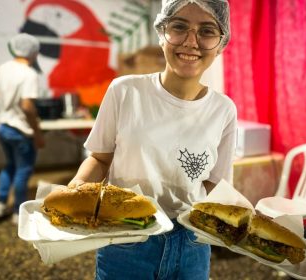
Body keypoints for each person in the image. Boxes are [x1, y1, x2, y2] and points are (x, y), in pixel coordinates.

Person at [69, 0, 236, 279]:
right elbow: (100, 158)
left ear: (220, 45)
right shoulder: (125, 91)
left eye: (207, 31)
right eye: (179, 27)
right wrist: (77, 188)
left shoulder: (224, 110)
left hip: (191, 244)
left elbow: (214, 183)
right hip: (126, 237)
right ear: (162, 34)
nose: (191, 41)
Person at [0, 33, 45, 224]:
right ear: (33, 52)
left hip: (3, 126)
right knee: (23, 170)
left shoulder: (3, 68)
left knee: (10, 166)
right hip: (20, 130)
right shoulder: (29, 73)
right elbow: (27, 107)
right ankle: (18, 212)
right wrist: (38, 134)